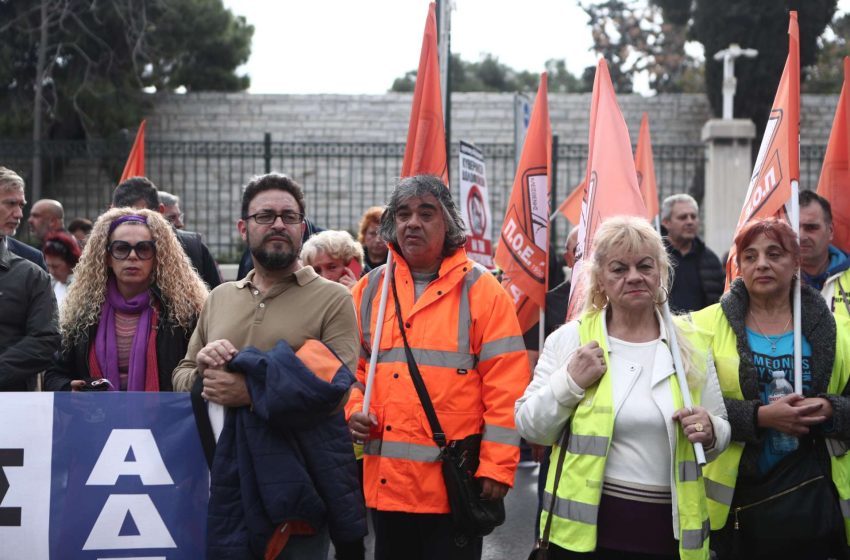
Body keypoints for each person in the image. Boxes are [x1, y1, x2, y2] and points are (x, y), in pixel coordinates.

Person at [172, 172, 365, 559]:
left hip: (300, 485)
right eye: (265, 216)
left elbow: (334, 390)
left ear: (302, 228)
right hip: (224, 479)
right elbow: (181, 374)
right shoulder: (220, 298)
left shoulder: (333, 299)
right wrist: (206, 372)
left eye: (288, 216)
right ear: (244, 228)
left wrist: (247, 392)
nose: (278, 224)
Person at [515, 215, 731, 560]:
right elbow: (531, 427)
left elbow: (719, 432)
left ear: (660, 271)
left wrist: (711, 430)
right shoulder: (570, 340)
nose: (633, 277)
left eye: (645, 266)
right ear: (599, 278)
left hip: (669, 542)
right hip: (581, 543)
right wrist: (569, 382)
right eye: (618, 269)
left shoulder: (689, 344)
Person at [347, 175, 528, 560]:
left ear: (447, 223)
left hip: (453, 491)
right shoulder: (368, 290)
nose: (412, 222)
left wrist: (498, 466)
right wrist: (353, 409)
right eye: (403, 213)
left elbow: (507, 388)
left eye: (425, 213)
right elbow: (350, 371)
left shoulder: (483, 292)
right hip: (387, 487)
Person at [691, 217, 850, 560]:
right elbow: (692, 410)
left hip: (814, 501)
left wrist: (831, 411)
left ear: (795, 262)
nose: (761, 264)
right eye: (750, 256)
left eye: (774, 254)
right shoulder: (702, 327)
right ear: (738, 265)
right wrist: (760, 417)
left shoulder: (837, 331)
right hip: (737, 508)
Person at [42, 208, 206, 392]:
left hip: (164, 418)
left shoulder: (183, 313)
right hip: (97, 417)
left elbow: (198, 374)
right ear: (107, 257)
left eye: (143, 248)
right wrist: (68, 387)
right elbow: (54, 374)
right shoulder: (82, 311)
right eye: (121, 248)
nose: (132, 256)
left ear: (157, 257)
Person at [0, 166, 60, 390]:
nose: (18, 214)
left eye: (21, 205)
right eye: (10, 203)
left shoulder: (30, 263)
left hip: (12, 402)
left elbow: (45, 338)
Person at [113, 176, 222, 289]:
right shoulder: (100, 252)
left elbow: (216, 301)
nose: (132, 255)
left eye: (140, 218)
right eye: (121, 249)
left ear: (160, 212)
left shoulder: (193, 249)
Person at [661, 194, 724, 312]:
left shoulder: (710, 259)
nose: (690, 221)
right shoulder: (655, 256)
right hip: (665, 328)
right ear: (666, 222)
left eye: (693, 217)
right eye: (683, 217)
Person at [799, 190, 850, 319]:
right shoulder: (774, 281)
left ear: (831, 231)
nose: (801, 236)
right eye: (794, 227)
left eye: (811, 228)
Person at [42, 231, 82, 307]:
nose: (51, 271)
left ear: (70, 262)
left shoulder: (82, 286)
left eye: (55, 266)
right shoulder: (49, 283)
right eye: (48, 266)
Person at [357, 206, 388, 274]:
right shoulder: (356, 258)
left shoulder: (395, 261)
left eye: (382, 234)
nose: (378, 240)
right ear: (364, 234)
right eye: (372, 233)